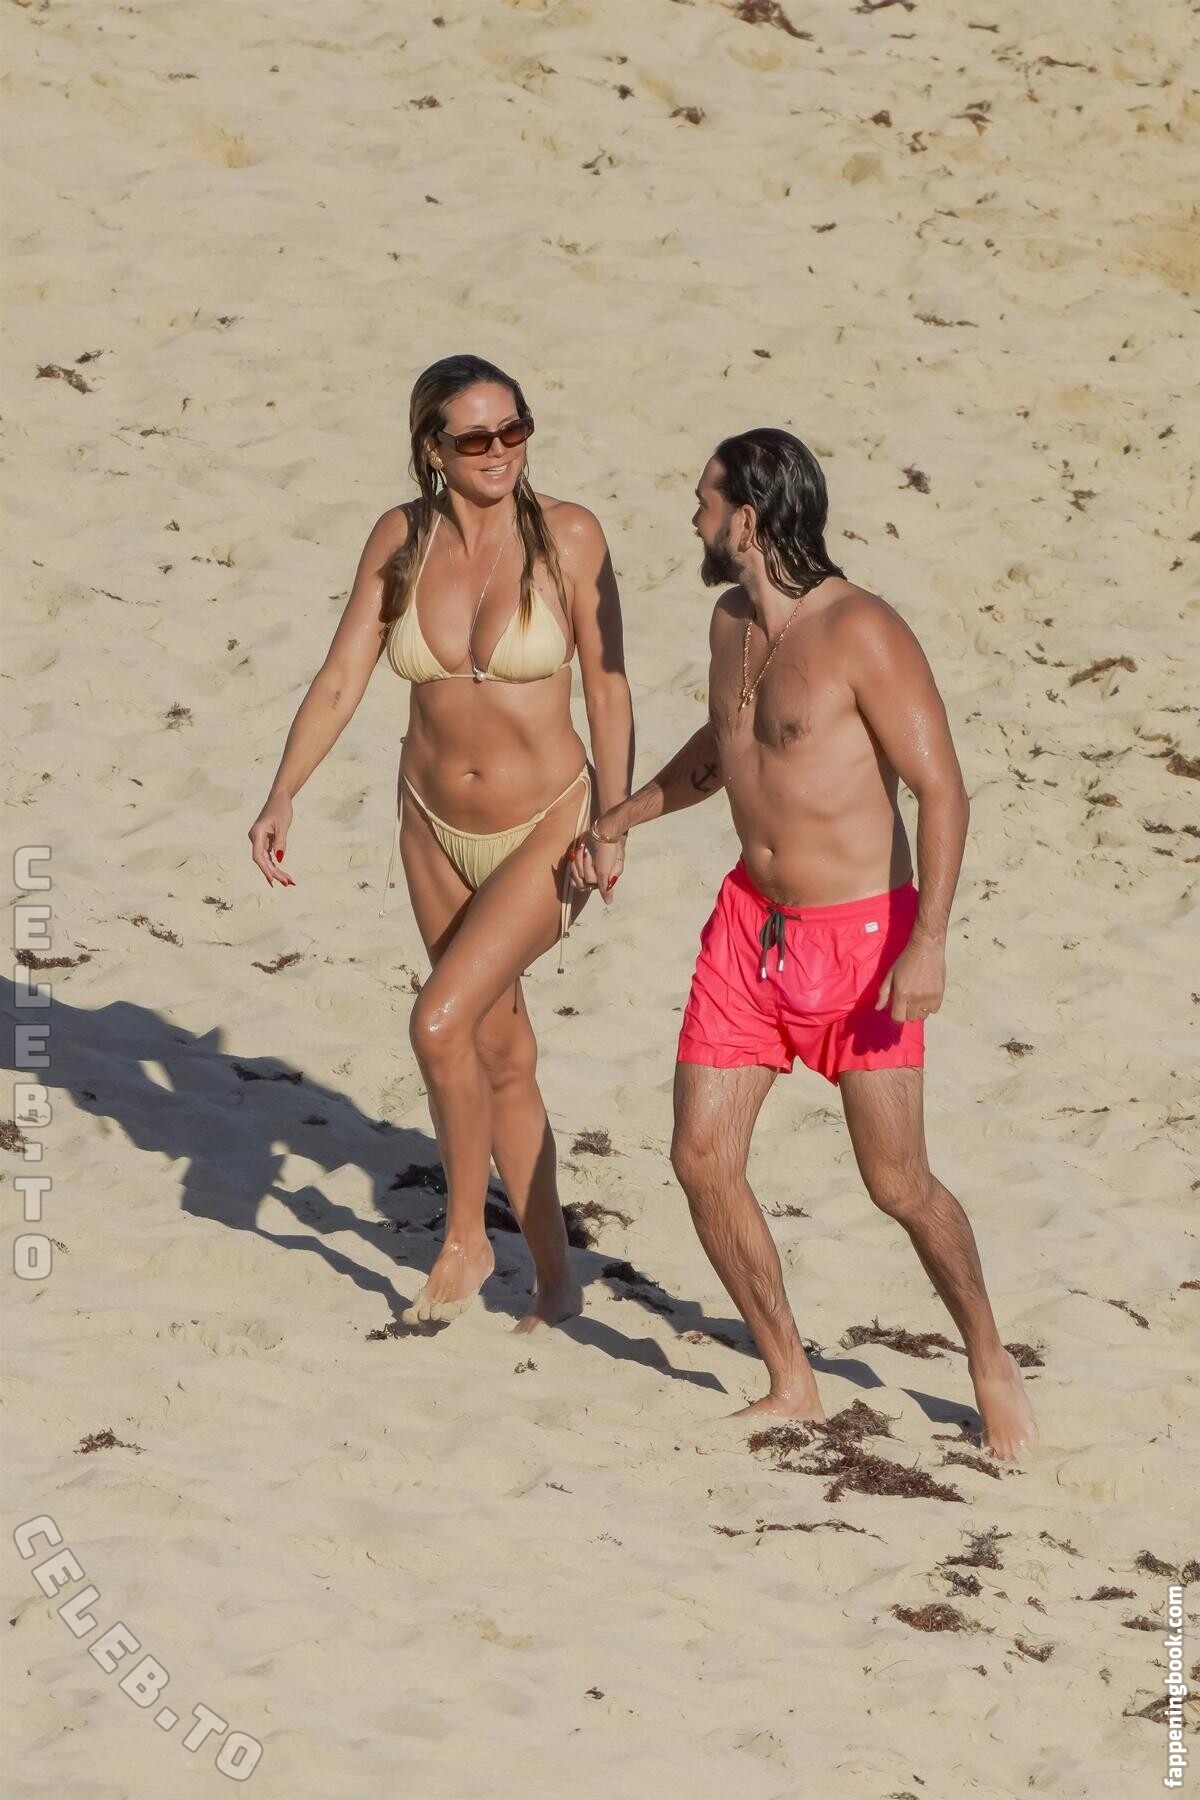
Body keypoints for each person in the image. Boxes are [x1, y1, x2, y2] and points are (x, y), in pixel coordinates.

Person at [572, 428, 1036, 1459]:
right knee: (701, 1158)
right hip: (751, 930)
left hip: (864, 941)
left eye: (705, 501)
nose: (693, 517)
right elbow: (726, 749)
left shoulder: (863, 631)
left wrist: (930, 941)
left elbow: (943, 790)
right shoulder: (730, 624)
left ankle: (988, 1357)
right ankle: (792, 1378)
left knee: (898, 1183)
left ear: (747, 518)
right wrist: (622, 817)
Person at [249, 354, 633, 1330]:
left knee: (437, 1024)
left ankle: (466, 1237)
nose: (501, 450)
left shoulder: (572, 536)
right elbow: (344, 674)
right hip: (428, 820)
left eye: (515, 429)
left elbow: (608, 686)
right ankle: (555, 1280)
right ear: (433, 448)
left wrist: (614, 820)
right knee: (499, 1046)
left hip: (548, 825)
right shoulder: (401, 537)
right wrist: (284, 790)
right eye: (477, 437)